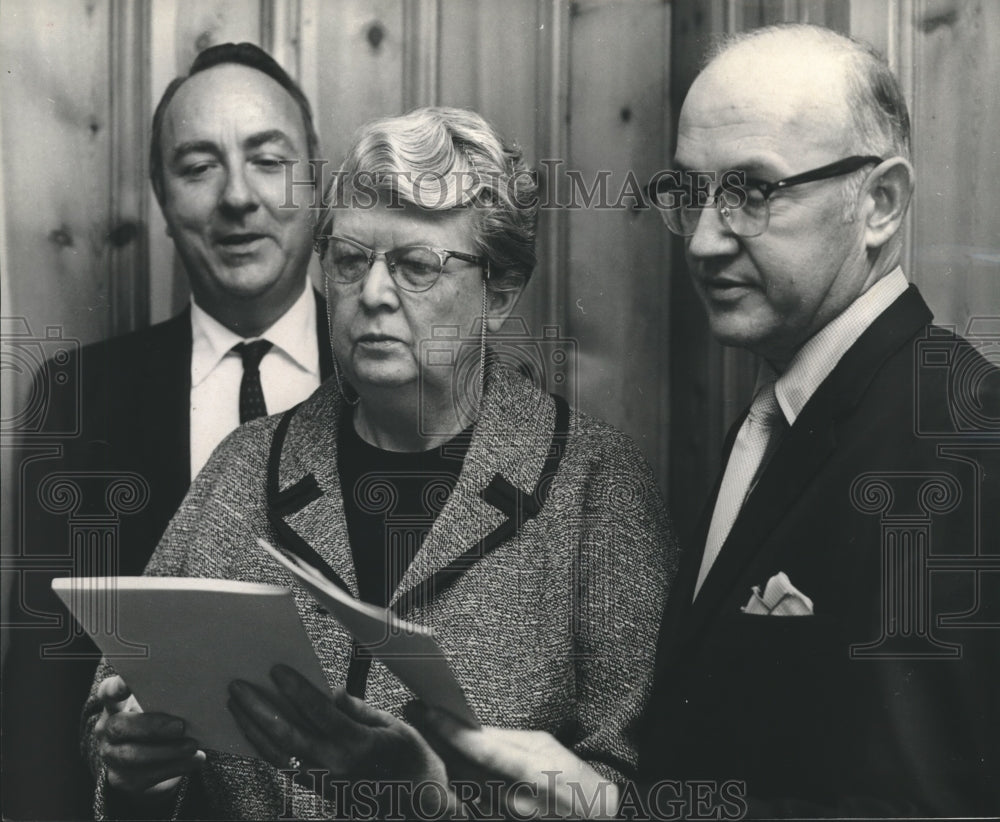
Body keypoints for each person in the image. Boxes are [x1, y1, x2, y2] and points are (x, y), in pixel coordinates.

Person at [419, 23, 999, 819]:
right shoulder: (779, 414)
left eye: (752, 192)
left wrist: (616, 812)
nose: (703, 238)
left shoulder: (960, 441)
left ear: (880, 204)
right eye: (689, 194)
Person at [80, 106, 677, 819]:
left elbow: (637, 783)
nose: (371, 295)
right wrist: (132, 770)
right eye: (351, 260)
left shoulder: (594, 484)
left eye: (417, 267)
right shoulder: (245, 467)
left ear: (502, 291)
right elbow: (118, 702)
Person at [2, 43, 332, 820]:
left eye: (268, 159)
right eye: (198, 166)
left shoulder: (393, 384)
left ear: (317, 179)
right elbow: (41, 689)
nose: (238, 197)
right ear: (161, 197)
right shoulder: (78, 400)